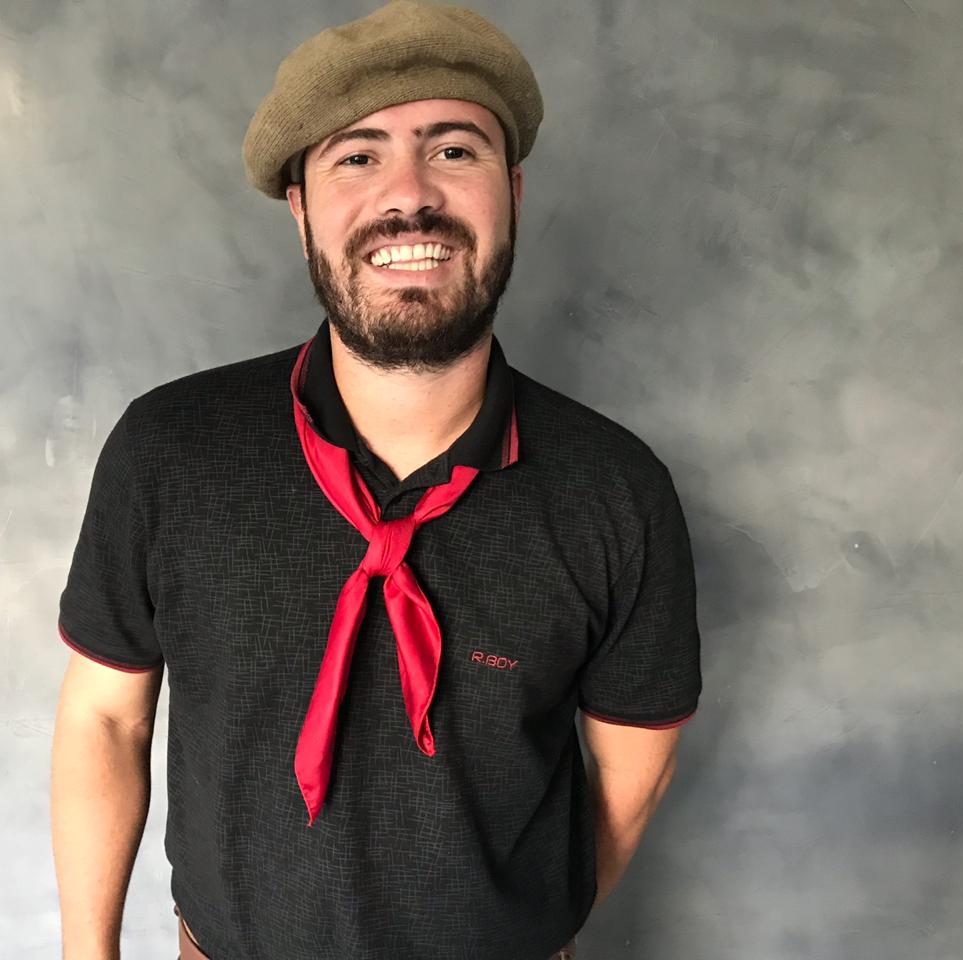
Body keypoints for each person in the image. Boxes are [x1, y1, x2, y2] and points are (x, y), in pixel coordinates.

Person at [49, 2, 702, 958]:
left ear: (513, 192)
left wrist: (521, 932)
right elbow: (106, 719)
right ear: (301, 209)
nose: (410, 196)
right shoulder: (169, 451)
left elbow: (633, 771)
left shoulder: (616, 492)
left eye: (454, 151)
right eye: (357, 156)